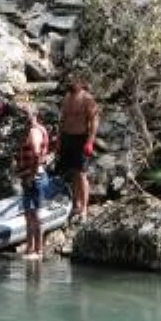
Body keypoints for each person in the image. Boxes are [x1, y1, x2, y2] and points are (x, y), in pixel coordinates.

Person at [58, 72, 100, 219]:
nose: (70, 82)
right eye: (69, 80)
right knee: (73, 173)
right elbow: (62, 120)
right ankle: (76, 204)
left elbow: (94, 121)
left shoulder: (87, 99)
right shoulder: (67, 98)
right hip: (67, 138)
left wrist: (90, 141)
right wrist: (59, 141)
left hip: (80, 139)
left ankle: (84, 209)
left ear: (81, 82)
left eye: (73, 80)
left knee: (81, 174)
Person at [16, 103, 51, 260]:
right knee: (29, 215)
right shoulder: (35, 130)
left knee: (35, 215)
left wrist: (31, 175)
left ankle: (39, 250)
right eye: (22, 114)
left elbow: (37, 154)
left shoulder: (35, 132)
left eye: (26, 114)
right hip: (29, 178)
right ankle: (31, 249)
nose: (23, 117)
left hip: (34, 178)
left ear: (34, 115)